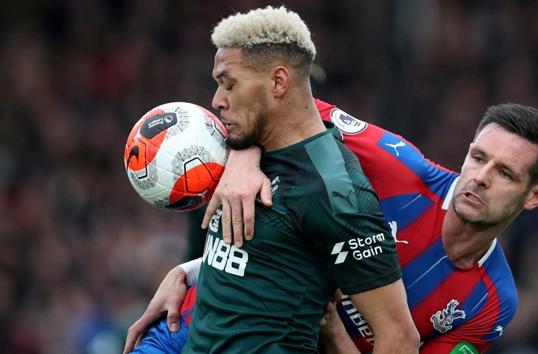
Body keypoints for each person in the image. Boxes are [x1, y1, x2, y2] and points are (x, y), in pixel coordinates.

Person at [125, 98, 538, 353]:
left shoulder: (490, 304)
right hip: (190, 326)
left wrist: (337, 339)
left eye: (505, 173)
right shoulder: (399, 168)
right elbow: (271, 101)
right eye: (478, 157)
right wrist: (242, 154)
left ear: (535, 196)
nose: (480, 177)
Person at [124, 6, 419, 354]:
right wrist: (187, 273)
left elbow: (399, 338)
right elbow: (270, 262)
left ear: (278, 82)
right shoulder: (247, 146)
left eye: (228, 83)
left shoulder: (336, 190)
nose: (217, 101)